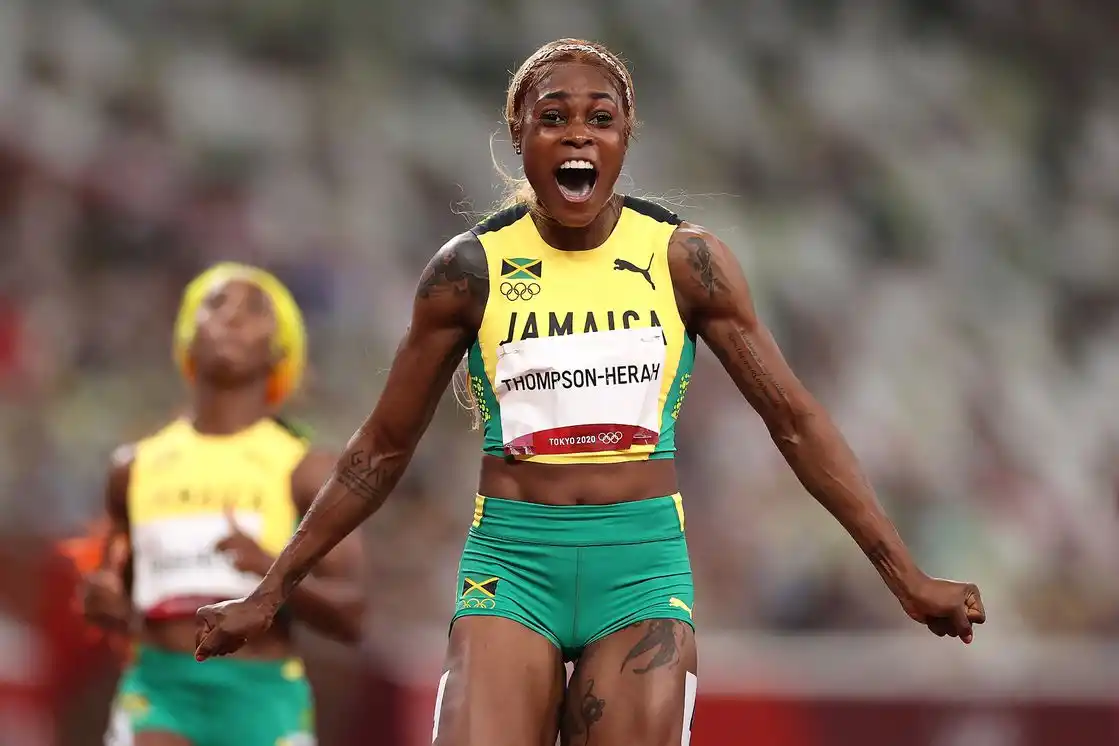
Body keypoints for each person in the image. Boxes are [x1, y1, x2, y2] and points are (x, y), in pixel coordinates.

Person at [194, 39, 986, 746]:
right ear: (519, 136)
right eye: (553, 116)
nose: (577, 132)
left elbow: (795, 423)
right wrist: (273, 590)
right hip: (512, 565)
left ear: (624, 136)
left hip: (639, 571)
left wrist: (903, 576)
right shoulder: (468, 272)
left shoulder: (684, 263)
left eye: (599, 117)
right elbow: (380, 450)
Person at [82, 263, 364, 746]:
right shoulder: (134, 467)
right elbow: (121, 591)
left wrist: (271, 572)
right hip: (159, 693)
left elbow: (353, 615)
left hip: (263, 700)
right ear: (187, 334)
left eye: (254, 310)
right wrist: (105, 600)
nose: (232, 317)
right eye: (215, 304)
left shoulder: (306, 470)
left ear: (281, 349)